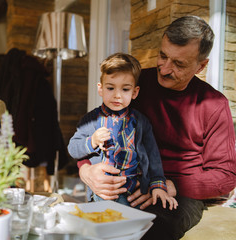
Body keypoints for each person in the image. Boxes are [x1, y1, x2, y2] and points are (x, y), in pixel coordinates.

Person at [78, 15, 236, 240]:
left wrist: (168, 184)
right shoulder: (135, 84)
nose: (164, 69)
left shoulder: (214, 104)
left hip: (176, 192)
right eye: (163, 56)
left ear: (202, 65)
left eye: (178, 64)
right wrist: (86, 171)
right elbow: (91, 131)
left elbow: (225, 177)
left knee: (149, 230)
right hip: (129, 179)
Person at [68, 53, 177, 210]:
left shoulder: (141, 122)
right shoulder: (90, 120)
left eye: (125, 89)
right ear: (100, 89)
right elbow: (73, 148)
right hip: (104, 191)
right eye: (110, 88)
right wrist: (92, 141)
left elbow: (153, 157)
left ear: (134, 92)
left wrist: (158, 185)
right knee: (108, 223)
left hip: (134, 188)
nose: (117, 95)